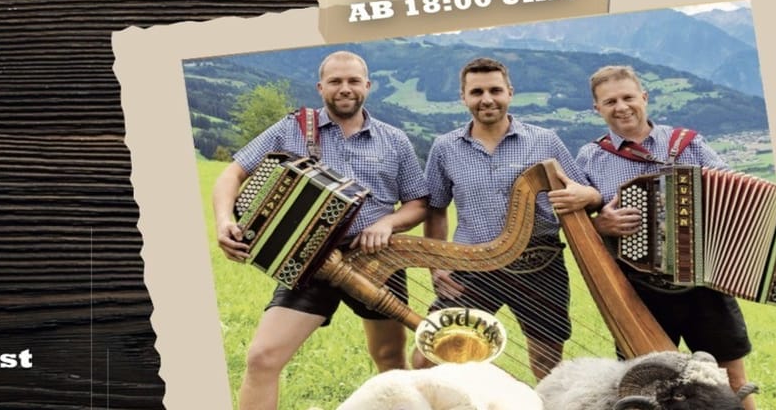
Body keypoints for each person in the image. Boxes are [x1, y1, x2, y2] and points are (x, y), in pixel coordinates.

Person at [212, 50, 430, 410]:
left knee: (390, 360)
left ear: (367, 86)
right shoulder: (291, 128)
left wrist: (387, 223)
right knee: (262, 359)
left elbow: (418, 203)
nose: (345, 88)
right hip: (307, 258)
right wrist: (224, 221)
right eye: (335, 81)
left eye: (353, 81)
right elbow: (231, 174)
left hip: (377, 260)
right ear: (320, 87)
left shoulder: (394, 140)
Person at [574, 65, 756, 410]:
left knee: (730, 377)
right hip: (638, 289)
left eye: (628, 97)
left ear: (644, 97)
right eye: (610, 101)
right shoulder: (591, 157)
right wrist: (601, 225)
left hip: (703, 282)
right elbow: (580, 222)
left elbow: (735, 191)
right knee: (646, 385)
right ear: (597, 108)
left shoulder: (688, 144)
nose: (621, 107)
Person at [413, 57, 600, 381]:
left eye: (495, 90)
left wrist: (591, 196)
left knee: (546, 366)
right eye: (477, 92)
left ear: (509, 92)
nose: (487, 99)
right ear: (463, 97)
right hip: (471, 264)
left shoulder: (545, 140)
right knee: (426, 359)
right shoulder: (445, 147)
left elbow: (583, 192)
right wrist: (437, 265)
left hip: (539, 263)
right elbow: (436, 208)